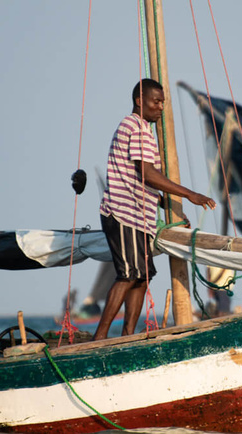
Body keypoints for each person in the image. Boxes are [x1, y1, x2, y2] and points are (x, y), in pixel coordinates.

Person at [90, 78, 215, 340]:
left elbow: (144, 180)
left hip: (139, 217)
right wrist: (189, 194)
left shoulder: (143, 130)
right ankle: (99, 339)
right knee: (128, 274)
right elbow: (146, 173)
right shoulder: (135, 126)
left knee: (143, 276)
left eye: (163, 102)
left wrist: (170, 208)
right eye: (155, 101)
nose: (160, 107)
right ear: (139, 101)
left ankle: (127, 336)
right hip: (123, 213)